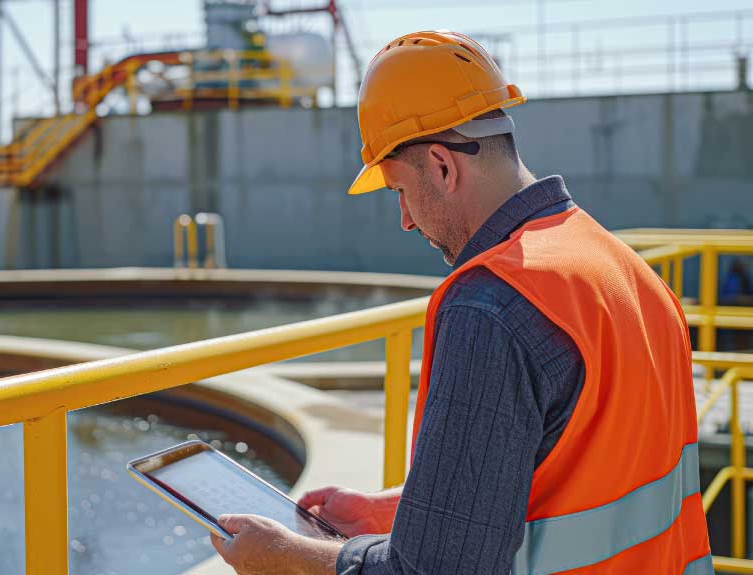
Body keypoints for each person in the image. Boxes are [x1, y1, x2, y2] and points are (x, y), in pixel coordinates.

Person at [210, 30, 711, 574]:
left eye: (400, 191)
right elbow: (582, 472)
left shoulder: (490, 306)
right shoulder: (621, 267)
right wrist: (404, 510)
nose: (404, 219)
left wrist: (286, 556)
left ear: (444, 167)